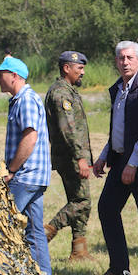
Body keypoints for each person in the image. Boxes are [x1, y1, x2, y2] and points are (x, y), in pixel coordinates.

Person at [92, 41, 138, 275]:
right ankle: (118, 269)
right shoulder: (117, 89)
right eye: (121, 58)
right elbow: (118, 129)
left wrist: (133, 164)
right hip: (120, 160)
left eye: (130, 58)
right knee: (107, 209)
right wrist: (103, 156)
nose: (125, 62)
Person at [0, 56, 52, 275]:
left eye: (1, 74)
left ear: (14, 76)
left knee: (3, 224)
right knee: (35, 230)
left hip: (26, 175)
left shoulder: (25, 100)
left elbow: (30, 136)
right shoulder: (21, 99)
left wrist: (12, 169)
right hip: (35, 175)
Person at [43, 51, 94, 263]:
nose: (82, 72)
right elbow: (69, 129)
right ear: (67, 68)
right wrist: (81, 158)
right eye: (78, 68)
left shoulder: (68, 90)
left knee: (79, 200)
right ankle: (46, 232)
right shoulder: (61, 94)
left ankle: (79, 250)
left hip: (74, 156)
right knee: (82, 201)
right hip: (71, 158)